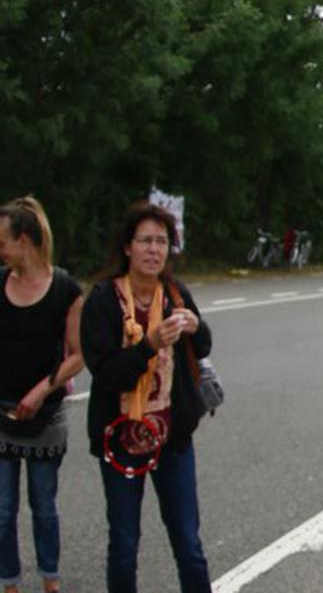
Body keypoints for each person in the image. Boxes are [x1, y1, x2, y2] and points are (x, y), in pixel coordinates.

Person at [80, 202, 213, 593]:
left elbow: (202, 348)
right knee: (124, 543)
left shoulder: (174, 292)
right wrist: (149, 345)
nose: (154, 250)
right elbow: (105, 374)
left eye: (162, 242)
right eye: (145, 241)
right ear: (127, 248)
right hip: (120, 439)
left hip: (172, 437)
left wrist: (195, 325)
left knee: (188, 543)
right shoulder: (103, 300)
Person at [0, 198, 84, 593]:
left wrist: (41, 389)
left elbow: (79, 354)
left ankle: (50, 581)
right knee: (1, 511)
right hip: (1, 415)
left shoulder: (65, 289)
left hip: (45, 417)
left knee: (43, 507)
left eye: (3, 241)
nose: (0, 250)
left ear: (24, 240)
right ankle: (10, 583)